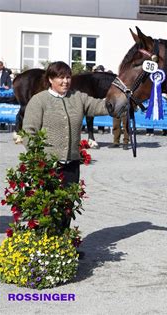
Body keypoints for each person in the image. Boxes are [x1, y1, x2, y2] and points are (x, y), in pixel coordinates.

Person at [22, 61, 109, 230]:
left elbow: (101, 106)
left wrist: (124, 100)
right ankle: (45, 247)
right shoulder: (39, 100)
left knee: (67, 206)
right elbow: (29, 132)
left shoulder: (78, 97)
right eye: (60, 77)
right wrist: (39, 159)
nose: (65, 81)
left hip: (71, 163)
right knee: (47, 208)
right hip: (47, 165)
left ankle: (63, 246)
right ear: (50, 79)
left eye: (68, 77)